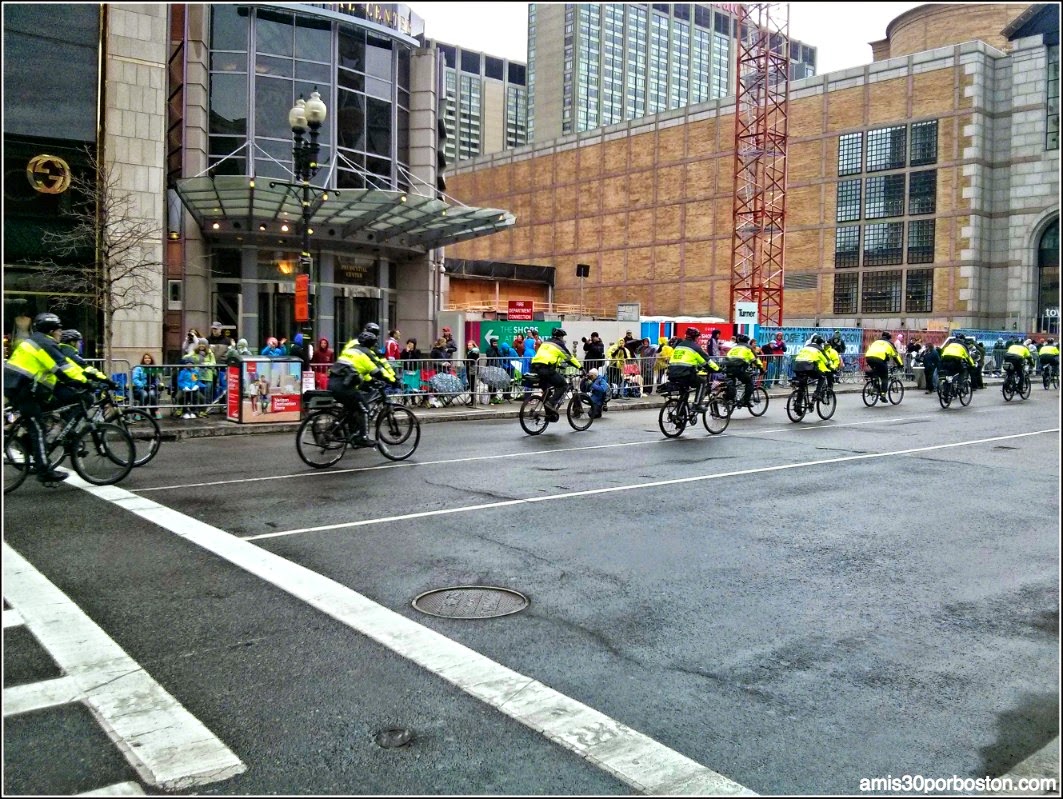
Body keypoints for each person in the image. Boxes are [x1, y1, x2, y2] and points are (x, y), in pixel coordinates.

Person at [3, 312, 95, 484]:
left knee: (43, 414)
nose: (61, 332)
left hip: (16, 386)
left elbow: (56, 371)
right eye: (59, 329)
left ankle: (30, 441)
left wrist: (74, 381)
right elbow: (64, 367)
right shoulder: (45, 343)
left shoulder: (36, 340)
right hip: (21, 389)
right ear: (51, 330)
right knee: (37, 428)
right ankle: (44, 471)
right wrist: (85, 383)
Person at [327, 329, 398, 446]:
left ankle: (344, 430)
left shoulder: (351, 350)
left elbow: (360, 370)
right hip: (344, 386)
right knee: (364, 408)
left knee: (351, 408)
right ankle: (363, 437)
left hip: (333, 382)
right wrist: (393, 381)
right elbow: (378, 372)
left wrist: (370, 381)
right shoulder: (364, 355)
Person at [530, 328, 582, 421]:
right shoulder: (559, 344)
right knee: (563, 385)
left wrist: (559, 365)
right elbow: (569, 358)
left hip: (534, 367)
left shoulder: (545, 343)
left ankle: (549, 415)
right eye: (563, 337)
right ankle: (551, 404)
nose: (563, 339)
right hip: (546, 369)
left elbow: (548, 356)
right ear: (560, 337)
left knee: (547, 391)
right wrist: (580, 367)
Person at [666, 327, 719, 411]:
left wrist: (700, 365)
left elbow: (689, 359)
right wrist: (717, 369)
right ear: (695, 337)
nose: (698, 339)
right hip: (685, 374)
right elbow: (706, 360)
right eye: (698, 337)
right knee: (702, 382)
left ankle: (680, 415)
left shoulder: (679, 346)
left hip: (672, 373)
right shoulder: (695, 347)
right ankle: (697, 405)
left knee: (685, 393)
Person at [722, 333, 763, 408]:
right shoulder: (748, 348)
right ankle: (745, 401)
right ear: (747, 341)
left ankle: (729, 399)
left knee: (732, 384)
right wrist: (761, 369)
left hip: (727, 368)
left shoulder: (734, 347)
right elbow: (755, 360)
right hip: (738, 368)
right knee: (749, 382)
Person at [864, 331, 903, 400]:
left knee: (876, 372)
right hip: (880, 359)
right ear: (889, 338)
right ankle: (883, 395)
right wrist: (900, 364)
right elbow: (896, 356)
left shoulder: (876, 342)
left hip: (869, 357)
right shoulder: (890, 344)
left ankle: (875, 385)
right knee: (884, 377)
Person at [793, 335, 832, 400]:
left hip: (797, 366)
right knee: (822, 377)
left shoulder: (805, 347)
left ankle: (798, 404)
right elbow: (826, 361)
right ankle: (816, 393)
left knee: (802, 386)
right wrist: (830, 367)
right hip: (808, 366)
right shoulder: (819, 349)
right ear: (820, 343)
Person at [132, 353, 162, 417]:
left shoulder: (154, 368)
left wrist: (154, 385)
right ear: (143, 359)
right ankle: (142, 412)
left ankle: (154, 411)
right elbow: (135, 379)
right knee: (144, 394)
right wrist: (143, 385)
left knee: (151, 394)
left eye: (149, 358)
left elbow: (157, 379)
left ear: (151, 359)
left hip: (152, 388)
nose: (147, 359)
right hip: (141, 388)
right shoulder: (138, 368)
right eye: (145, 358)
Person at [465, 340, 481, 405]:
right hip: (469, 369)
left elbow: (471, 361)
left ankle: (473, 401)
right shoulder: (470, 352)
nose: (469, 346)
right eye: (468, 345)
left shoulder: (474, 352)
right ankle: (472, 400)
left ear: (473, 345)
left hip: (473, 370)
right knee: (471, 385)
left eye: (470, 345)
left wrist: (466, 361)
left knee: (472, 385)